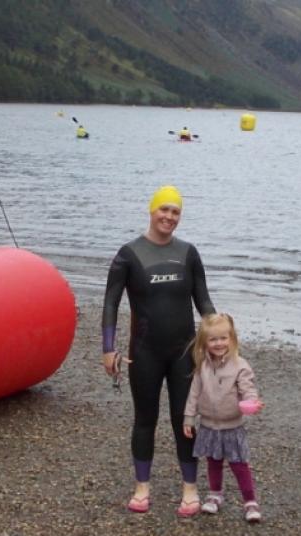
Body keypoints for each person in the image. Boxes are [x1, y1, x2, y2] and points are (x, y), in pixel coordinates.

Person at [102, 185, 215, 516]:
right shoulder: (129, 254)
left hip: (184, 354)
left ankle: (190, 489)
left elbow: (203, 299)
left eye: (175, 211)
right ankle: (142, 487)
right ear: (151, 211)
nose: (169, 216)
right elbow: (110, 302)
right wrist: (108, 348)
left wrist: (219, 334)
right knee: (144, 419)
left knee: (185, 419)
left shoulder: (188, 253)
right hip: (144, 352)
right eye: (164, 209)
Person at [183, 313, 264, 522]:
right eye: (213, 339)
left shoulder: (240, 365)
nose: (219, 343)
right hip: (209, 424)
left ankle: (250, 501)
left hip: (232, 425)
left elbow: (248, 389)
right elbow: (194, 392)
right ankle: (215, 494)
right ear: (205, 342)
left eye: (223, 338)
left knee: (239, 464)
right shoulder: (202, 366)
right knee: (213, 461)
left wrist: (252, 402)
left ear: (232, 338)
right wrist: (189, 417)